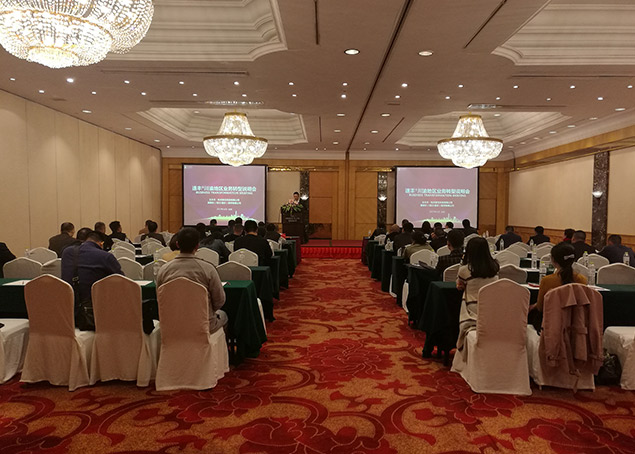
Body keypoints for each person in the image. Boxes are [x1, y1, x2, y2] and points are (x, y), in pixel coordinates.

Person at [156, 227, 227, 333]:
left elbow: (160, 298)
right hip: (204, 324)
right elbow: (219, 300)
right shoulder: (208, 269)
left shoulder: (164, 270)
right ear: (197, 246)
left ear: (177, 244)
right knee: (223, 315)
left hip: (172, 324)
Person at [528, 242, 587, 330]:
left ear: (553, 260)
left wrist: (535, 305)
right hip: (575, 324)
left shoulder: (547, 281)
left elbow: (541, 308)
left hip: (551, 325)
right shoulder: (582, 280)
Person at [455, 237, 499, 352]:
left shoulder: (464, 270)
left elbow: (459, 286)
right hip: (492, 308)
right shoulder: (495, 268)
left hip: (473, 309)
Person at [61, 229, 123, 304]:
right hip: (96, 304)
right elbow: (122, 282)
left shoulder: (67, 252)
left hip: (68, 303)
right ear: (101, 244)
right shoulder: (106, 256)